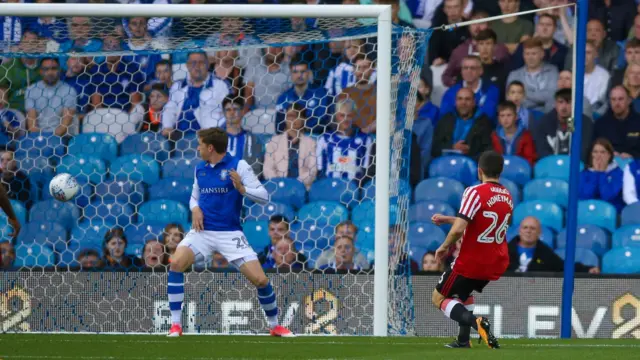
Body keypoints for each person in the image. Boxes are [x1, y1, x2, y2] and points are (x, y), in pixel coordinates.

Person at [166, 127, 294, 337]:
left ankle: (274, 326)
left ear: (210, 147)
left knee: (261, 280)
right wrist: (195, 209)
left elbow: (263, 196)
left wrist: (243, 190)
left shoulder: (239, 165)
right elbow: (193, 197)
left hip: (230, 234)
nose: (197, 148)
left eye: (199, 145)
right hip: (202, 232)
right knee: (176, 262)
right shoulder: (200, 169)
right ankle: (176, 325)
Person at [430, 150, 512, 349]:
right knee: (463, 292)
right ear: (500, 172)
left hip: (471, 260)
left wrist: (444, 246)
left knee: (438, 298)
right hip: (495, 262)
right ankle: (463, 340)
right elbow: (484, 222)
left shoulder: (474, 192)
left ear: (479, 170)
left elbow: (459, 229)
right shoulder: (508, 196)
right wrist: (449, 219)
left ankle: (476, 322)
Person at [508, 216, 600, 273]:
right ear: (519, 231)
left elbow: (562, 267)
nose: (528, 231)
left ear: (539, 233)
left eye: (532, 228)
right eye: (525, 228)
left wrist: (587, 269)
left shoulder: (545, 253)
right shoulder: (505, 251)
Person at [263, 103, 318, 190]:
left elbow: (312, 170)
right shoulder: (274, 141)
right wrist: (280, 184)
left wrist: (296, 183)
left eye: (297, 116)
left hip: (302, 188)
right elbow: (268, 169)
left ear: (303, 119)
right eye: (290, 116)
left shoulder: (311, 143)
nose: (293, 119)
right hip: (278, 188)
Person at [579, 139, 625, 212]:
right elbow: (585, 197)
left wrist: (601, 173)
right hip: (588, 213)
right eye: (595, 152)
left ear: (609, 155)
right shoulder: (584, 174)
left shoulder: (618, 173)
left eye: (603, 152)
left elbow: (607, 196)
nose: (598, 156)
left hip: (611, 215)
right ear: (592, 154)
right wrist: (595, 173)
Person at [491, 101, 537, 165]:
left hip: (519, 171)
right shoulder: (494, 136)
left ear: (516, 117)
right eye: (502, 116)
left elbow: (530, 160)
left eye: (509, 115)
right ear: (498, 119)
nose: (505, 119)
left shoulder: (525, 135)